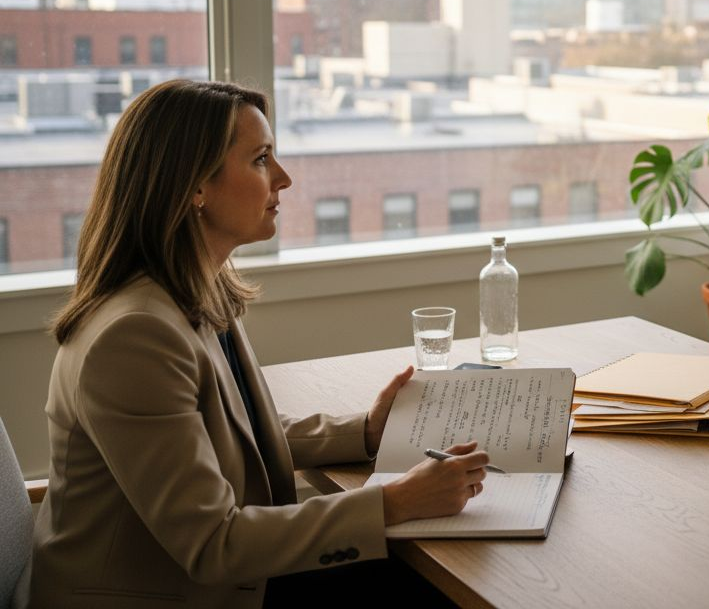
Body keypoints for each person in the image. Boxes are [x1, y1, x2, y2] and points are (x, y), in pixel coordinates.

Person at [29, 80, 488, 608]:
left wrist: (365, 430)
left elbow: (231, 435)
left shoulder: (198, 288)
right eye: (261, 159)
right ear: (194, 186)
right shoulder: (134, 337)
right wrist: (392, 502)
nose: (284, 179)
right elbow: (213, 545)